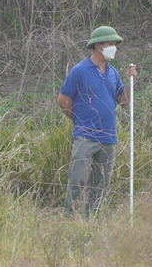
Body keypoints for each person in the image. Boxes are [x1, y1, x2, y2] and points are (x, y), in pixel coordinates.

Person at [58, 25, 137, 218]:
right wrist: (77, 120)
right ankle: (69, 219)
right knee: (77, 179)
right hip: (85, 136)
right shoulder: (79, 71)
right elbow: (63, 100)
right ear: (98, 46)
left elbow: (124, 102)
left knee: (100, 184)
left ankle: (92, 219)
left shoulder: (113, 73)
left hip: (109, 138)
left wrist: (128, 81)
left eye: (115, 44)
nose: (114, 48)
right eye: (111, 44)